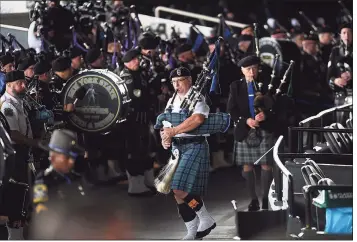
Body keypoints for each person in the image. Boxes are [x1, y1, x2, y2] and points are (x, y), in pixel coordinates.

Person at [160, 67, 216, 240]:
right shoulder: (172, 99)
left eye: (181, 80)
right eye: (174, 82)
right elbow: (166, 122)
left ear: (190, 81)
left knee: (179, 189)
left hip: (195, 145)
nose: (177, 85)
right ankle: (192, 230)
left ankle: (205, 218)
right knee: (178, 194)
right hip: (178, 147)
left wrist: (174, 130)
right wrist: (165, 138)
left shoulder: (197, 98)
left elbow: (198, 119)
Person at [226, 55, 275, 211]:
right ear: (242, 70)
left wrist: (266, 115)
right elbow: (231, 110)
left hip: (265, 128)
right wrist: (246, 120)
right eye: (248, 69)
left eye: (254, 68)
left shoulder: (267, 84)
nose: (252, 72)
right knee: (247, 165)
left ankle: (266, 199)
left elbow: (277, 106)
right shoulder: (235, 86)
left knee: (267, 164)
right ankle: (253, 199)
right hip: (245, 129)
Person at [0, 70, 39, 239]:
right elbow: (13, 134)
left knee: (22, 193)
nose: (24, 86)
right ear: (9, 85)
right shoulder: (7, 105)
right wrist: (35, 143)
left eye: (24, 82)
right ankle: (14, 236)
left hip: (21, 154)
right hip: (14, 155)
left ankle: (19, 233)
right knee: (16, 195)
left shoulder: (17, 101)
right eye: (19, 83)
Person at [30, 129, 86, 239]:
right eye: (67, 157)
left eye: (73, 157)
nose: (71, 161)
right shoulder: (45, 180)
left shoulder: (75, 178)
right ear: (53, 157)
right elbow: (41, 208)